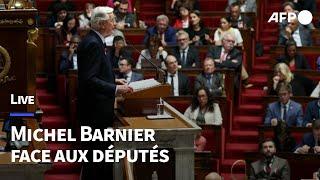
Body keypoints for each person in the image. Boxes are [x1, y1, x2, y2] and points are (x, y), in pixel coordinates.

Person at [77, 7, 132, 180]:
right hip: (95, 112)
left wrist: (113, 80)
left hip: (96, 110)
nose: (115, 23)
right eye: (111, 20)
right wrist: (116, 89)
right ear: (101, 24)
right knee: (95, 158)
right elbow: (89, 80)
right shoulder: (93, 43)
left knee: (96, 157)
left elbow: (95, 73)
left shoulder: (95, 40)